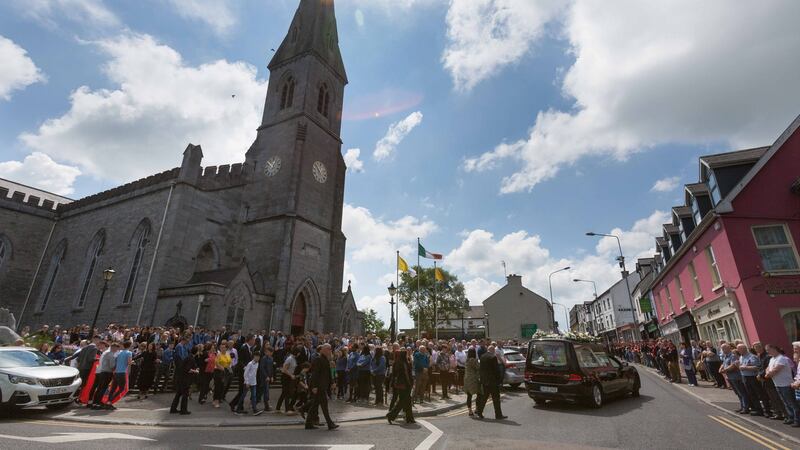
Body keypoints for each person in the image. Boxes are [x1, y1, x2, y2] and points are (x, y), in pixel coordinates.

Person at [305, 343, 339, 430]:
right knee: (324, 406)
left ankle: (308, 423)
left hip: (322, 386)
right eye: (329, 349)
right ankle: (330, 423)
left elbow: (328, 373)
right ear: (323, 350)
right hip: (319, 387)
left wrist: (332, 382)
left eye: (330, 349)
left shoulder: (325, 360)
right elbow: (315, 374)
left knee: (314, 406)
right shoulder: (318, 359)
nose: (330, 351)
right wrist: (314, 386)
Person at [765, 344, 800, 427]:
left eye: (768, 350)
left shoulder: (782, 358)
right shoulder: (772, 359)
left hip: (786, 384)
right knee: (785, 402)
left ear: (774, 349)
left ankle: (797, 420)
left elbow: (775, 370)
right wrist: (768, 373)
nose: (767, 352)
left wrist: (769, 374)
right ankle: (791, 417)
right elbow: (767, 369)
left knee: (792, 403)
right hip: (778, 384)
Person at [475, 345, 506, 420]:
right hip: (493, 382)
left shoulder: (482, 357)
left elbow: (481, 369)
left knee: (484, 398)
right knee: (496, 399)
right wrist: (499, 380)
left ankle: (479, 412)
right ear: (493, 350)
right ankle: (498, 415)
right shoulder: (493, 357)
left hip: (485, 381)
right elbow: (496, 370)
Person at [386, 348, 415, 425]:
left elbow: (394, 375)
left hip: (399, 384)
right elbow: (407, 375)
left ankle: (410, 418)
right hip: (405, 385)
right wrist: (410, 384)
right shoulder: (405, 363)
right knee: (402, 401)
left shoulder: (396, 363)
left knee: (407, 401)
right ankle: (391, 415)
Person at [170, 343, 199, 415]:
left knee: (178, 394)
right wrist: (195, 371)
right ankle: (183, 410)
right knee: (185, 395)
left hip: (181, 378)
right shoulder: (191, 358)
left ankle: (173, 409)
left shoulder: (189, 357)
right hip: (185, 380)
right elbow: (187, 369)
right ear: (197, 352)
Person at [230, 335, 255, 412]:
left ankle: (239, 406)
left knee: (243, 391)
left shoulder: (250, 349)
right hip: (243, 373)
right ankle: (234, 404)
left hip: (247, 372)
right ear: (250, 340)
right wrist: (245, 367)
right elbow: (240, 360)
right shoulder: (243, 348)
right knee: (242, 391)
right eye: (253, 340)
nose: (254, 342)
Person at [91, 341, 118, 410]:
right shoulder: (111, 354)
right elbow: (112, 366)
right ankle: (98, 403)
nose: (117, 350)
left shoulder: (105, 352)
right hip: (107, 372)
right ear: (114, 348)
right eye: (117, 348)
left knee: (100, 388)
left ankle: (95, 403)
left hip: (102, 372)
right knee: (103, 388)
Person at [276, 347, 299, 414]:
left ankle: (278, 408)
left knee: (283, 393)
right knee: (287, 393)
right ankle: (287, 409)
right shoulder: (290, 359)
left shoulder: (293, 359)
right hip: (285, 377)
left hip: (289, 377)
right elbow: (284, 369)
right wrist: (291, 375)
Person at [213, 342, 232, 408]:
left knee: (222, 387)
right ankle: (216, 401)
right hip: (218, 372)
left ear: (226, 348)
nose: (222, 349)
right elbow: (216, 363)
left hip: (226, 372)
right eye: (221, 348)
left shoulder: (227, 354)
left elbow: (229, 362)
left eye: (224, 347)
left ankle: (219, 398)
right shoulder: (218, 354)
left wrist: (229, 369)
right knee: (218, 387)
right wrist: (222, 368)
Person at [463, 348, 480, 416]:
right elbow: (478, 367)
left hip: (467, 379)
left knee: (469, 395)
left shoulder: (467, 360)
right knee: (479, 393)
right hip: (473, 379)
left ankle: (470, 411)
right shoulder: (473, 360)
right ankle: (476, 409)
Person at [257, 346, 274, 411]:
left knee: (264, 391)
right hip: (264, 377)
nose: (271, 353)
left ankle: (265, 405)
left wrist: (271, 376)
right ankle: (266, 406)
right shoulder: (264, 358)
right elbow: (262, 368)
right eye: (270, 352)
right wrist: (266, 376)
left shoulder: (271, 358)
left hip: (268, 377)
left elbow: (271, 368)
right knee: (265, 391)